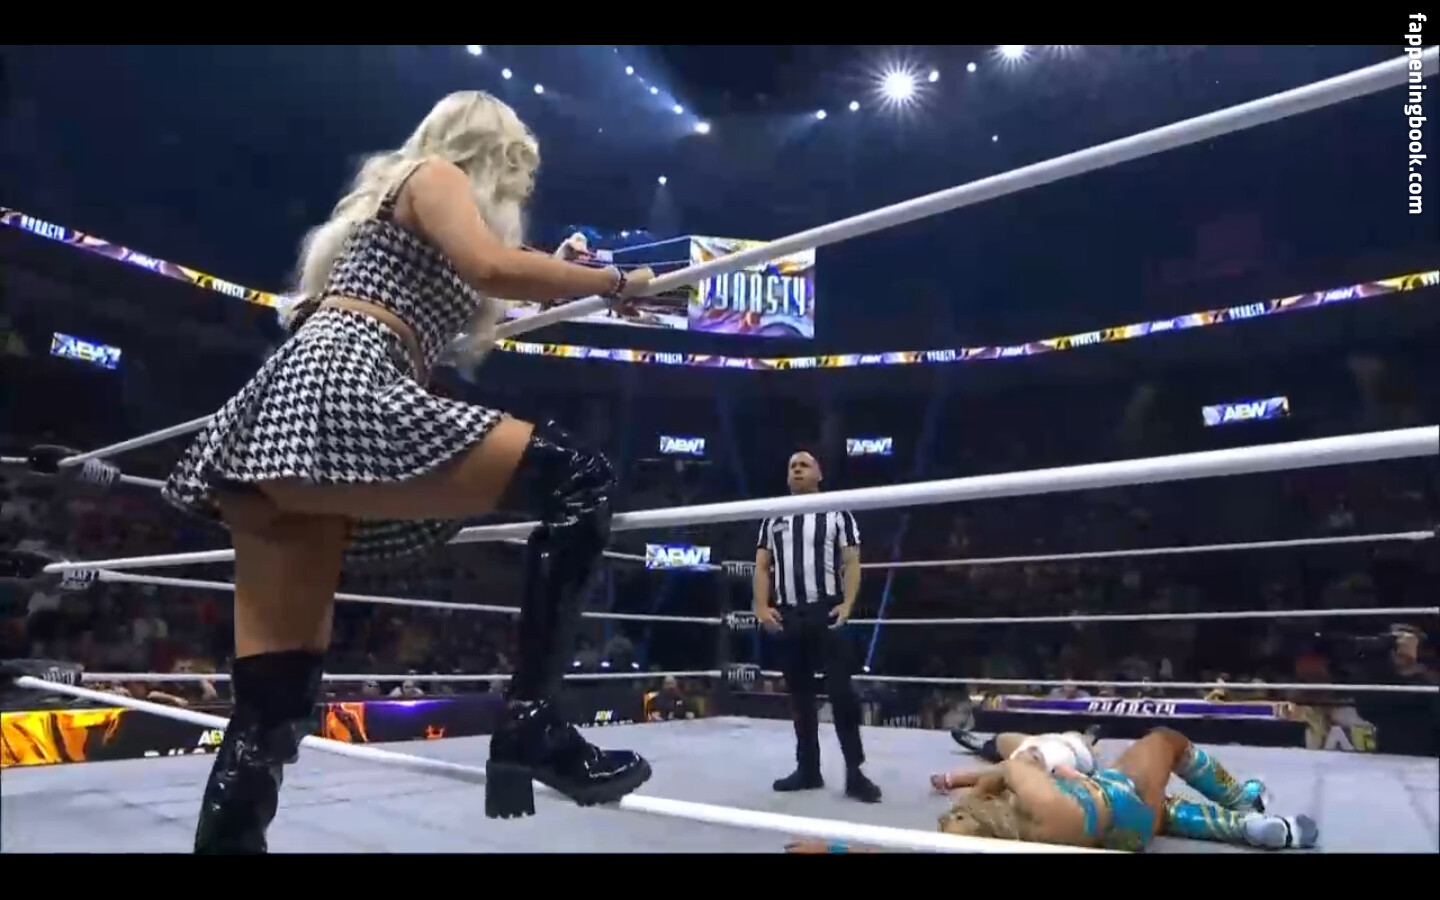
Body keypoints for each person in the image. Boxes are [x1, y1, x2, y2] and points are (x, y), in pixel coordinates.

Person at [158, 91, 657, 853]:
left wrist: (565, 273)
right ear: (493, 155)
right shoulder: (432, 174)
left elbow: (487, 273)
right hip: (347, 385)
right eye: (518, 170)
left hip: (290, 414)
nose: (522, 188)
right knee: (580, 476)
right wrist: (615, 283)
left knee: (273, 701)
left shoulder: (392, 215)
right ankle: (532, 721)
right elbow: (491, 265)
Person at [939, 726, 1318, 852]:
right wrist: (974, 788)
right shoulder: (1036, 799)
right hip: (1116, 799)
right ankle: (1243, 800)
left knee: (1161, 810)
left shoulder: (1022, 831)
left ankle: (1247, 828)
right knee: (1166, 741)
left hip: (1123, 837)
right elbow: (1017, 765)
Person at [754, 451, 880, 803]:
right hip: (789, 613)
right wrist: (761, 607)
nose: (796, 469)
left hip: (826, 611)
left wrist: (848, 604)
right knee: (799, 695)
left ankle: (855, 772)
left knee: (841, 692)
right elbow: (762, 566)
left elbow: (852, 561)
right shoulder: (774, 515)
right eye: (792, 466)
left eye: (804, 465)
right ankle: (808, 769)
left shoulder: (837, 511)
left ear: (819, 474)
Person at [933, 727, 1100, 790]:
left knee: (1006, 766)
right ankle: (984, 746)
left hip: (1067, 748)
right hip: (1040, 741)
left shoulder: (1061, 766)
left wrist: (952, 779)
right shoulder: (1029, 753)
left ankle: (984, 749)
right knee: (1003, 739)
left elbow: (1083, 781)